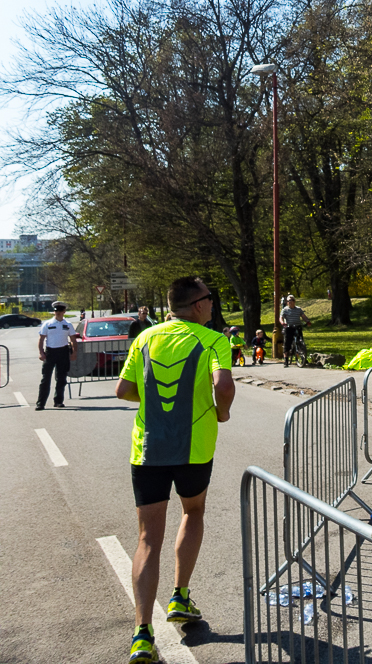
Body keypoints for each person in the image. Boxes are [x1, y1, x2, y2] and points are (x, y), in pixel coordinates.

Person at [114, 276, 234, 664]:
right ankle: (180, 595)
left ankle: (142, 634)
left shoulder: (145, 338)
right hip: (194, 449)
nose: (213, 304)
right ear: (198, 304)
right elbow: (224, 383)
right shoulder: (213, 339)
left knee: (148, 537)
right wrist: (223, 412)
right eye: (210, 299)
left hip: (148, 450)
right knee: (192, 511)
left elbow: (123, 390)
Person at [36, 301, 78, 410]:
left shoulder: (68, 324)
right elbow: (41, 339)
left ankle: (58, 401)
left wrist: (74, 353)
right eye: (56, 311)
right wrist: (41, 352)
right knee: (46, 379)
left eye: (60, 311)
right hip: (50, 352)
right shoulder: (48, 324)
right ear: (54, 312)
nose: (58, 313)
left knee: (61, 379)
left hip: (63, 352)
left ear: (64, 312)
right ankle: (41, 403)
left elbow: (73, 340)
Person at [279, 295, 312, 368]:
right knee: (287, 343)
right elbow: (281, 317)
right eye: (289, 301)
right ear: (287, 302)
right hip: (289, 327)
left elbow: (303, 316)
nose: (290, 302)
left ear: (294, 301)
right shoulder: (285, 309)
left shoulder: (298, 309)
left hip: (297, 327)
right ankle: (286, 360)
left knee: (301, 341)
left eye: (292, 300)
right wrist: (282, 322)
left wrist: (307, 321)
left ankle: (303, 357)